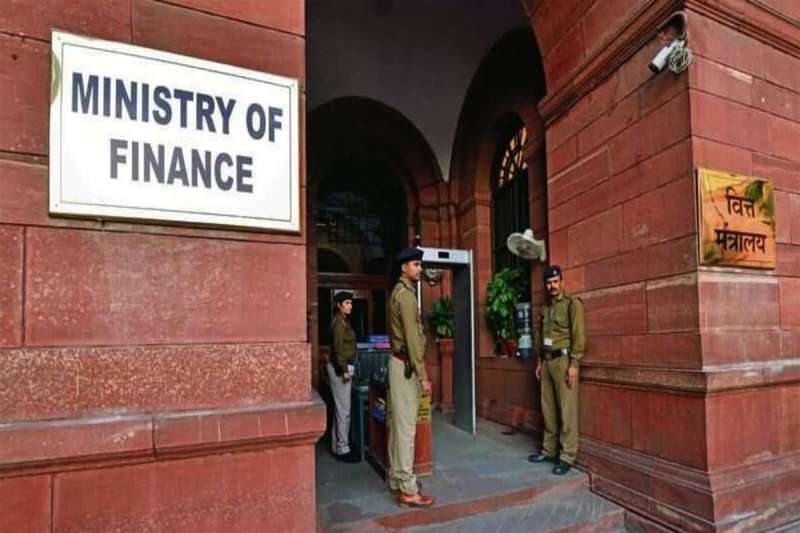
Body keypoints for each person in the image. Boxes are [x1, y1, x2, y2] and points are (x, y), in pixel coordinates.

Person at [387, 247, 435, 507]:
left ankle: (398, 479)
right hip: (406, 366)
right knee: (406, 429)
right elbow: (413, 340)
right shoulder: (405, 296)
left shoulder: (399, 291)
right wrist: (423, 374)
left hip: (399, 363)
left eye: (420, 264)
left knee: (398, 426)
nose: (420, 269)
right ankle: (408, 488)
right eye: (416, 264)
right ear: (404, 267)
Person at [528, 265, 586, 475]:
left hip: (563, 361)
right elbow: (540, 336)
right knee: (548, 409)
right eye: (548, 283)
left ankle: (567, 456)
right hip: (547, 362)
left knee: (566, 410)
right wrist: (539, 362)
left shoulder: (572, 304)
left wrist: (574, 364)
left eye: (555, 282)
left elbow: (578, 335)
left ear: (562, 281)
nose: (551, 286)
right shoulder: (545, 308)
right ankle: (549, 450)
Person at [327, 290, 359, 463]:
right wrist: (344, 369)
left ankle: (337, 446)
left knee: (340, 409)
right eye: (346, 303)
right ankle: (342, 449)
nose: (350, 306)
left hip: (342, 367)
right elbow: (338, 349)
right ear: (339, 305)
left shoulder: (344, 321)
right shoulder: (339, 323)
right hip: (340, 368)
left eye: (351, 303)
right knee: (344, 411)